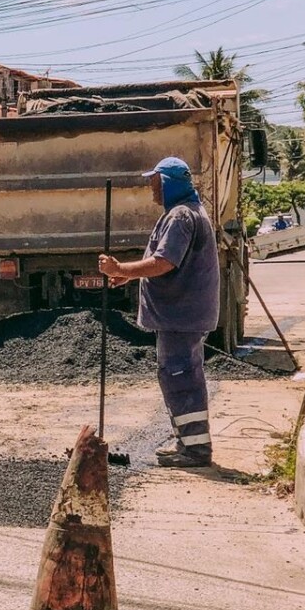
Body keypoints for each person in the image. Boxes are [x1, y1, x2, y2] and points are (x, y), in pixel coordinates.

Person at [98, 157, 219, 468]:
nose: (152, 190)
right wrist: (130, 275)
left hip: (181, 315)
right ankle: (187, 444)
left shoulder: (180, 216)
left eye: (155, 184)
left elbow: (164, 262)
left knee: (180, 378)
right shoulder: (186, 212)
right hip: (183, 314)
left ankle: (195, 450)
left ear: (169, 183)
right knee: (179, 376)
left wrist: (121, 267)